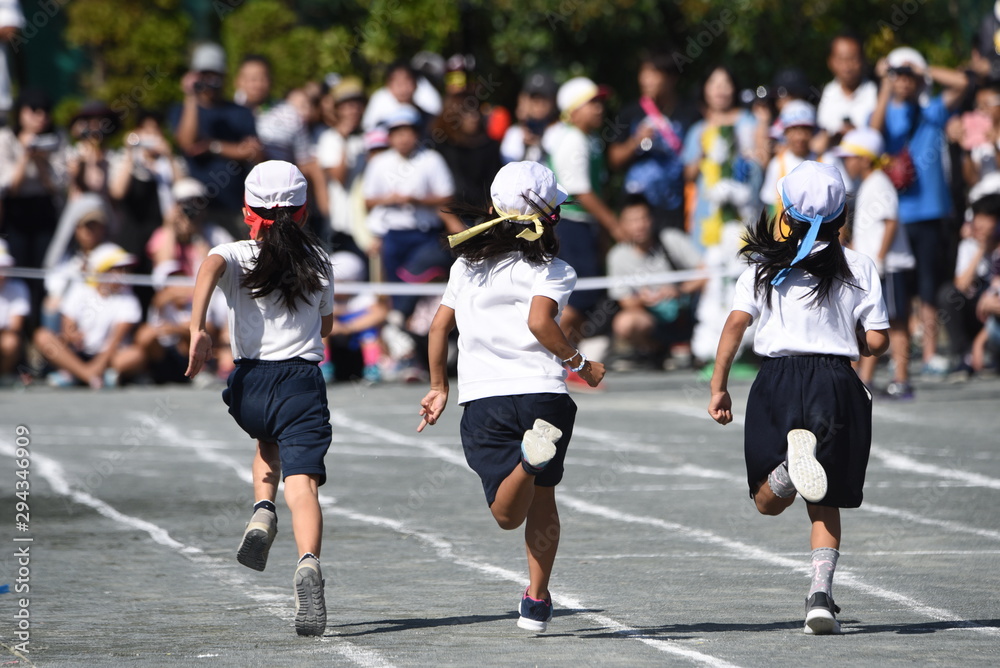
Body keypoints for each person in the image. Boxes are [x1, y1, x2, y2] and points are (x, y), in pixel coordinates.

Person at [417, 161, 606, 633]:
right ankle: (537, 598)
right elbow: (542, 323)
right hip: (544, 396)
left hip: (485, 398)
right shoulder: (556, 269)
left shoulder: (467, 265)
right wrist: (581, 365)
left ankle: (527, 460)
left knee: (506, 514)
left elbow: (439, 328)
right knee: (544, 498)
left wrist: (439, 385)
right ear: (550, 218)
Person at [708, 161, 890, 635]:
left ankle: (789, 470)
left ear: (786, 213)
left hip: (777, 380)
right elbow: (877, 342)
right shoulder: (860, 265)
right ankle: (820, 598)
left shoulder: (762, 264)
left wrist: (718, 384)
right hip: (836, 383)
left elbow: (734, 326)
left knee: (767, 502)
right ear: (841, 215)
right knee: (825, 500)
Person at [185, 160, 333, 637]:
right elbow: (326, 329)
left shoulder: (233, 253)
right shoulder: (320, 260)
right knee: (304, 482)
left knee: (266, 440)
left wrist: (198, 326)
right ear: (304, 212)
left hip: (250, 385)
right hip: (300, 382)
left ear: (249, 213)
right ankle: (307, 562)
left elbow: (209, 266)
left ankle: (261, 511)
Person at [870, 46, 969, 376]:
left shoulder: (932, 110)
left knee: (928, 290)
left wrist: (921, 69)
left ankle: (928, 354)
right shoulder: (890, 114)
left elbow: (961, 83)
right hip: (898, 214)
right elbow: (872, 130)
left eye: (907, 78)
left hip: (930, 213)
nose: (904, 83)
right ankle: (904, 359)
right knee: (900, 292)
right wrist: (887, 80)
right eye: (901, 78)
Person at [837, 128, 916, 396]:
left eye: (851, 156)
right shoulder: (869, 184)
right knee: (873, 323)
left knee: (896, 324)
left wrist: (879, 259)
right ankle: (865, 379)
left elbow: (890, 222)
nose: (847, 162)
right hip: (877, 266)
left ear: (865, 158)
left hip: (888, 266)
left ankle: (902, 379)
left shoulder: (879, 183)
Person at [546, 76, 622, 347]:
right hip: (570, 226)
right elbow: (581, 192)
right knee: (577, 296)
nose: (599, 108)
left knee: (582, 294)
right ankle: (563, 356)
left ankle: (568, 356)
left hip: (580, 226)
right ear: (573, 110)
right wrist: (614, 225)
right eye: (592, 103)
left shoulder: (587, 140)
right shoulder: (574, 140)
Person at [363, 105, 456, 317]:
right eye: (397, 132)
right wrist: (389, 199)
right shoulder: (379, 163)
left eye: (407, 131)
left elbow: (447, 197)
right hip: (393, 235)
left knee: (417, 282)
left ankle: (401, 321)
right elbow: (368, 200)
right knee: (394, 287)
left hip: (424, 234)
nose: (403, 138)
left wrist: (417, 200)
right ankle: (399, 324)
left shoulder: (431, 159)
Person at [170, 43, 261, 233]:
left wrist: (213, 145)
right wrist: (191, 95)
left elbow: (253, 151)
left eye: (214, 74)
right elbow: (187, 143)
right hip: (199, 213)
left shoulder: (241, 112)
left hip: (235, 208)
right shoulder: (182, 110)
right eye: (204, 74)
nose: (209, 80)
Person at [607, 194, 705, 369]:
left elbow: (705, 272)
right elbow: (624, 301)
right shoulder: (617, 256)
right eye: (632, 220)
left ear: (652, 219)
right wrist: (643, 300)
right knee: (625, 323)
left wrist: (679, 290)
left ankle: (688, 347)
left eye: (643, 218)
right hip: (649, 316)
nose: (639, 226)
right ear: (622, 224)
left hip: (682, 312)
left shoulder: (671, 239)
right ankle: (654, 350)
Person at [33, 242, 147, 389]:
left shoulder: (128, 298)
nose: (122, 274)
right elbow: (67, 326)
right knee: (42, 336)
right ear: (101, 270)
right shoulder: (80, 290)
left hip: (110, 356)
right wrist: (72, 335)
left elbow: (115, 340)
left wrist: (99, 363)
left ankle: (75, 375)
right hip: (79, 353)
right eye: (116, 269)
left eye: (124, 269)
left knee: (137, 355)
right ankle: (88, 376)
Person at [682, 66, 764, 253]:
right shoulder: (698, 129)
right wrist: (702, 152)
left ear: (734, 88)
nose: (720, 89)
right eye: (714, 83)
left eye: (725, 83)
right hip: (708, 213)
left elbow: (763, 160)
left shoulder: (749, 121)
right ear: (705, 89)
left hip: (745, 211)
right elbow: (688, 174)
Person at [609, 49, 693, 231]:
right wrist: (635, 141)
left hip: (676, 208)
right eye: (643, 73)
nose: (645, 80)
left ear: (672, 78)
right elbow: (614, 160)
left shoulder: (690, 114)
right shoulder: (630, 112)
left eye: (653, 73)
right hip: (637, 209)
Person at [316, 78, 368, 253]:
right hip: (339, 223)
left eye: (356, 105)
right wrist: (344, 141)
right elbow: (339, 177)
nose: (353, 110)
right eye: (347, 105)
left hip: (365, 224)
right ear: (338, 109)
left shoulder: (367, 138)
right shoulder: (329, 139)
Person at [430, 89, 503, 210]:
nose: (474, 117)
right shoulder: (441, 148)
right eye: (466, 112)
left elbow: (496, 186)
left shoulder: (489, 146)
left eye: (476, 111)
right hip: (450, 217)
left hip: (484, 214)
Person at [816, 33, 878, 153]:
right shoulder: (828, 92)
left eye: (853, 59)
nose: (847, 66)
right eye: (841, 59)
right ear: (830, 62)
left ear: (863, 60)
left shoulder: (875, 92)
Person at [760, 101, 819, 217]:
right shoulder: (776, 164)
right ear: (785, 132)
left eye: (805, 130)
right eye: (794, 130)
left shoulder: (827, 161)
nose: (800, 137)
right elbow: (771, 207)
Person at [501, 71, 558, 164]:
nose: (539, 103)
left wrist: (539, 146)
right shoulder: (514, 134)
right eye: (534, 98)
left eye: (544, 98)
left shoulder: (562, 132)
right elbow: (511, 172)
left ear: (554, 100)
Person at [0, 239, 28, 382]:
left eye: (4, 267)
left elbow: (15, 327)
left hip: (5, 338)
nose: (2, 274)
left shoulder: (18, 288)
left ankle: (3, 376)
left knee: (11, 342)